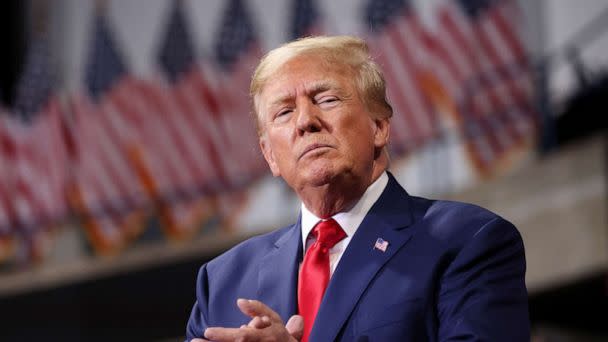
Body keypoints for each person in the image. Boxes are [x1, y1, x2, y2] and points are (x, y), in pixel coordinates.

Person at [185, 35, 529, 342]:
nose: (306, 121)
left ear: (379, 126)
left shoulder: (467, 242)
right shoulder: (222, 283)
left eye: (327, 99)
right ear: (270, 155)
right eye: (284, 112)